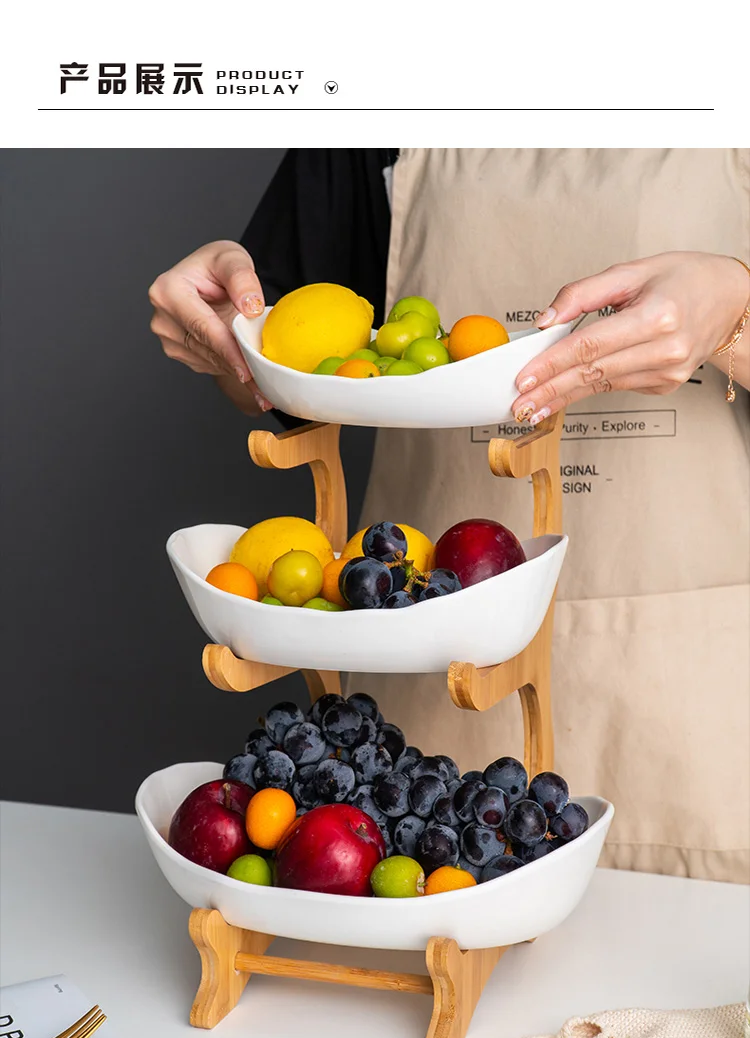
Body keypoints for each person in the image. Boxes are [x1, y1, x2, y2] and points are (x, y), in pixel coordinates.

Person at [149, 149, 750, 884]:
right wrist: (226, 337)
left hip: (697, 698)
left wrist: (735, 314)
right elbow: (291, 370)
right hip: (425, 683)